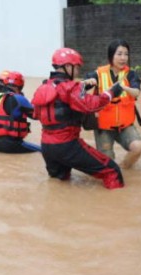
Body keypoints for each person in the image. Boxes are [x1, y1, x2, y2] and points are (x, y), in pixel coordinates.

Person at [31, 47, 125, 189]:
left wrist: (81, 89)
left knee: (60, 182)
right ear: (67, 66)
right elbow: (92, 105)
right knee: (112, 171)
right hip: (67, 145)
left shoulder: (44, 87)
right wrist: (112, 92)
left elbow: (36, 114)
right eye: (77, 68)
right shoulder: (70, 87)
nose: (78, 72)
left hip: (47, 147)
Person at [85, 39, 141, 169]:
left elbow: (136, 92)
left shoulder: (131, 75)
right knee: (108, 165)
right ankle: (114, 170)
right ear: (111, 56)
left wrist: (124, 88)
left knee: (138, 146)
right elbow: (80, 90)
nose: (123, 58)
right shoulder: (98, 74)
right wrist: (87, 82)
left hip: (124, 125)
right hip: (103, 127)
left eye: (126, 54)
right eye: (119, 54)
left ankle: (124, 167)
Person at [0, 70, 41, 153]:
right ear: (18, 86)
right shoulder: (19, 98)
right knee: (43, 150)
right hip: (13, 144)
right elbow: (36, 115)